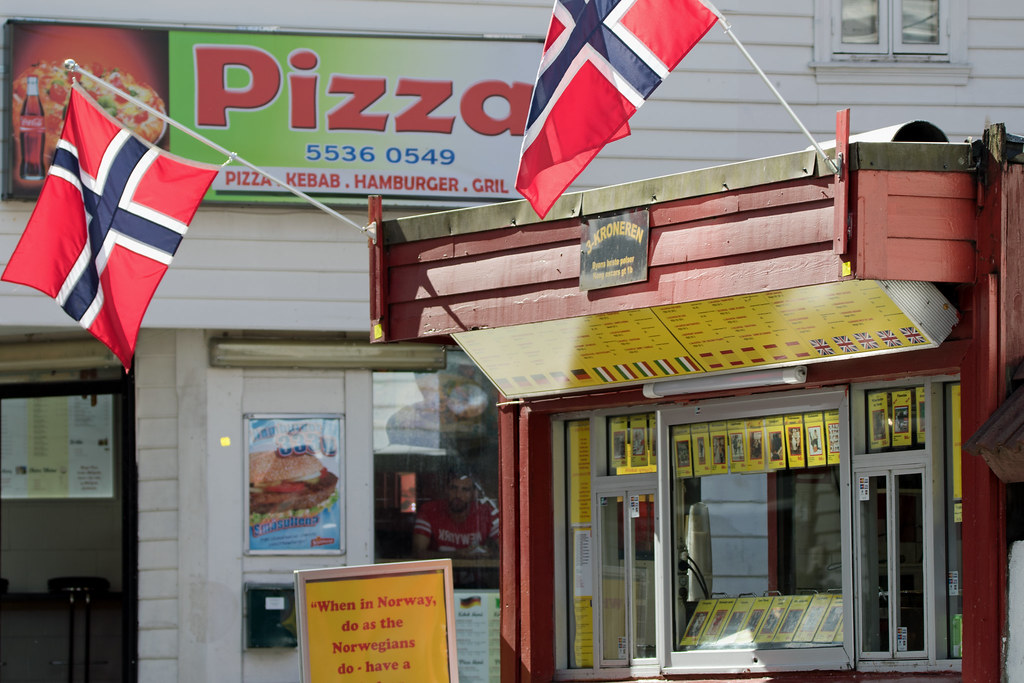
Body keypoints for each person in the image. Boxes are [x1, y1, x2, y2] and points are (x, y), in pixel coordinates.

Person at [413, 470, 498, 559]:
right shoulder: (429, 510)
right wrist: (455, 555)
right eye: (453, 488)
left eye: (465, 490)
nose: (458, 495)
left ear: (474, 494)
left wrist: (490, 554)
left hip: (479, 572)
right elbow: (417, 553)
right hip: (440, 572)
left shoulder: (487, 512)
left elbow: (508, 550)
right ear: (446, 490)